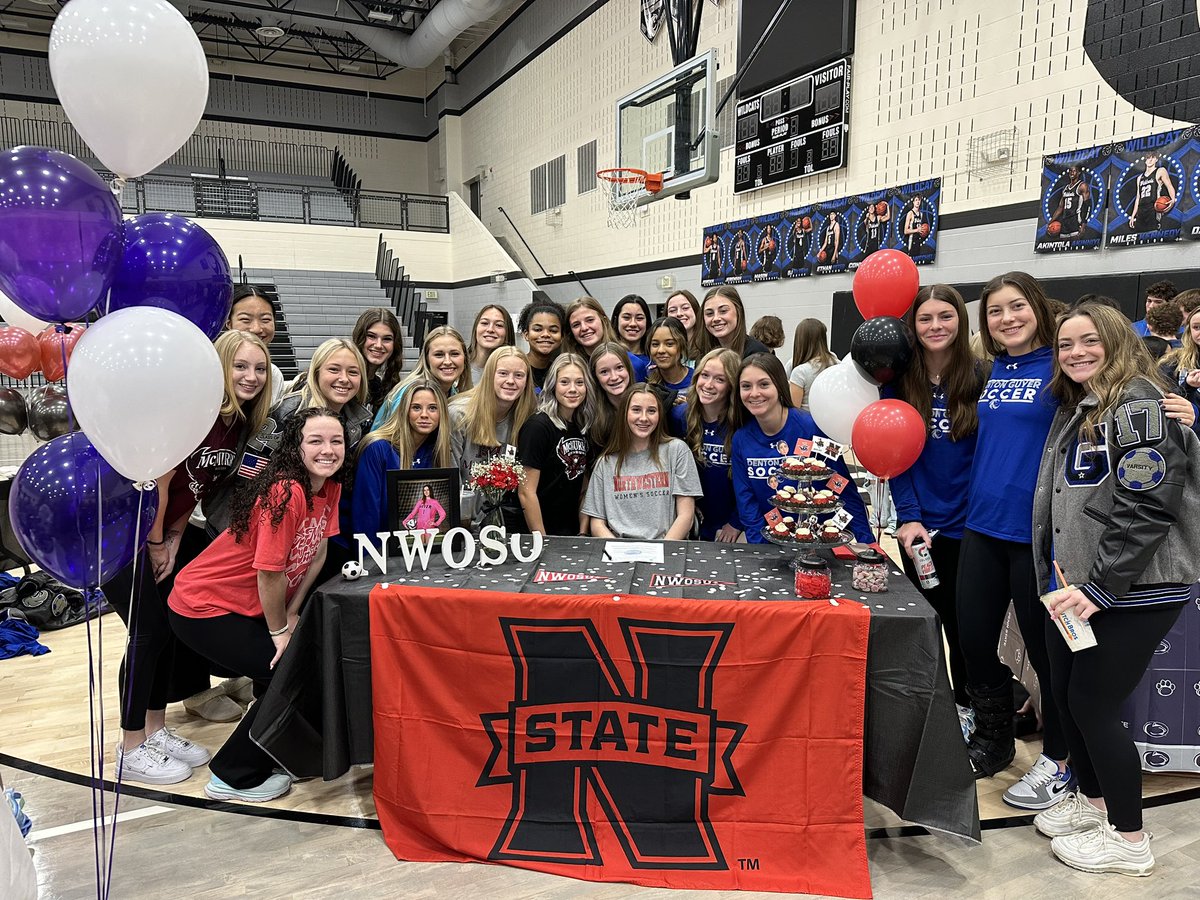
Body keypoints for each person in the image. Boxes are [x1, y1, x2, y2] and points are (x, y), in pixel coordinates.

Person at [958, 272, 1195, 805]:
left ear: (1038, 308)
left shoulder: (1073, 371)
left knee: (1055, 664)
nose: (1006, 318)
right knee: (979, 640)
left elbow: (1144, 443)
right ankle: (998, 742)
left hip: (1048, 540)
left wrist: (1185, 407)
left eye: (1017, 306)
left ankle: (1059, 763)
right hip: (991, 525)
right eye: (994, 311)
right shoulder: (997, 369)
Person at [1030, 302, 1200, 876]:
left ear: (1116, 340)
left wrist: (1100, 586)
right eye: (1064, 345)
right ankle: (1094, 803)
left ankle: (1129, 840)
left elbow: (1146, 506)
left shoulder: (1138, 405)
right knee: (1068, 691)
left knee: (1093, 703)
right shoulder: (1087, 404)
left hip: (1133, 586)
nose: (1075, 352)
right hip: (1083, 584)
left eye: (1088, 341)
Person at [106, 331, 274, 784]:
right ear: (219, 366)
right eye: (240, 366)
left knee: (162, 634)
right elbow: (157, 484)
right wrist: (157, 541)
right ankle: (131, 744)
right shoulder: (189, 411)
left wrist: (175, 534)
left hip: (161, 532)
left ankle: (155, 731)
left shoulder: (239, 423)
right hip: (121, 534)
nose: (251, 376)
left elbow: (193, 489)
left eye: (259, 368)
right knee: (148, 630)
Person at [169, 408, 346, 803]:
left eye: (336, 441)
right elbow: (269, 572)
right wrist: (279, 630)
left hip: (244, 606)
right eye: (315, 441)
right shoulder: (287, 491)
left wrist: (293, 612)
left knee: (285, 671)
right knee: (292, 672)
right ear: (296, 448)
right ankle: (232, 775)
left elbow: (317, 553)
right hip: (202, 606)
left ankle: (275, 751)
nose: (328, 449)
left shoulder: (328, 488)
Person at [888, 285, 985, 733]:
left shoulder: (983, 377)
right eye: (925, 319)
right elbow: (894, 459)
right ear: (913, 327)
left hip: (975, 527)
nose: (936, 327)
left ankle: (971, 709)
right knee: (931, 624)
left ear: (960, 322)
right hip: (921, 530)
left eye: (945, 317)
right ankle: (938, 707)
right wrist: (908, 517)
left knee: (969, 631)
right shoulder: (898, 383)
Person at [731, 353, 873, 544]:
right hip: (772, 539)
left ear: (779, 386)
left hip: (820, 541)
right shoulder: (741, 439)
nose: (754, 393)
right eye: (746, 386)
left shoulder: (813, 428)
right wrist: (762, 549)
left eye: (764, 384)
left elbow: (842, 486)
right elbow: (746, 502)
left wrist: (868, 543)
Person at [238, 339, 372, 482]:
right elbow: (248, 477)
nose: (344, 379)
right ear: (316, 373)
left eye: (353, 372)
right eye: (334, 369)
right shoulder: (285, 413)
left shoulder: (358, 422)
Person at [582, 384, 702, 540]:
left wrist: (661, 553)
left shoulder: (677, 451)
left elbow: (686, 516)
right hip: (618, 551)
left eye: (651, 411)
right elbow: (597, 524)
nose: (644, 418)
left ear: (659, 415)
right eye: (636, 410)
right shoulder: (605, 463)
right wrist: (620, 553)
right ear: (624, 414)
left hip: (666, 548)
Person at [449, 346, 537, 531]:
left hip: (497, 520)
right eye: (503, 373)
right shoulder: (458, 415)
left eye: (519, 375)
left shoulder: (526, 419)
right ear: (489, 375)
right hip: (460, 523)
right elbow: (450, 479)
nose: (511, 381)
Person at [352, 379, 452, 539]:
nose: (424, 415)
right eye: (416, 408)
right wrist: (371, 562)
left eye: (433, 408)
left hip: (418, 550)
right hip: (380, 549)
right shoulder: (377, 448)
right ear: (405, 410)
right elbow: (366, 516)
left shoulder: (436, 450)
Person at [671, 348, 744, 542]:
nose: (708, 385)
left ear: (732, 386)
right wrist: (685, 506)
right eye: (705, 375)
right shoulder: (679, 417)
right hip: (691, 521)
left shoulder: (742, 425)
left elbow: (751, 483)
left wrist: (736, 523)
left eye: (720, 379)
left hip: (731, 526)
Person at [516, 353, 593, 536]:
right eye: (565, 382)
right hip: (541, 533)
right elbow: (526, 493)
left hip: (571, 533)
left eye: (579, 383)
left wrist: (582, 533)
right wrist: (542, 539)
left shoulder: (583, 426)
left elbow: (583, 488)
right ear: (553, 385)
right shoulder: (538, 427)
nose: (573, 389)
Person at [372, 325, 471, 430]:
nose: (447, 361)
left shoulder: (455, 393)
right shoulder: (410, 393)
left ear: (464, 358)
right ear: (427, 360)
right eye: (439, 355)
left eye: (454, 354)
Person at [226, 285, 285, 403]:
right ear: (228, 324)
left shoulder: (274, 375)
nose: (256, 329)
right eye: (245, 319)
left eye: (265, 320)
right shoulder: (211, 369)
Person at [351, 308, 403, 413]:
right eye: (371, 336)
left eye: (387, 339)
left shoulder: (379, 387)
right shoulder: (345, 381)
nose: (378, 345)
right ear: (359, 337)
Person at [697, 286, 771, 359]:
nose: (716, 318)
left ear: (738, 312)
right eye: (709, 313)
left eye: (723, 311)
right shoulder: (703, 352)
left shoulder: (756, 353)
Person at [587, 342, 635, 451]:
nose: (614, 377)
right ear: (595, 378)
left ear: (628, 368)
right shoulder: (591, 419)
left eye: (619, 367)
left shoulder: (649, 403)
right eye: (604, 372)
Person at [1160, 305, 1200, 424]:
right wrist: (1188, 387)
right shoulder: (1173, 361)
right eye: (1196, 327)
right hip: (1184, 432)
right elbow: (1162, 398)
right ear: (1189, 331)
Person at [787, 318, 838, 410]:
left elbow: (794, 411)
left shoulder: (800, 372)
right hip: (833, 420)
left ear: (799, 340)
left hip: (806, 422)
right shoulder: (836, 362)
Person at [517, 300, 563, 389]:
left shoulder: (561, 371)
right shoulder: (516, 367)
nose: (546, 334)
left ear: (562, 337)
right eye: (538, 329)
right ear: (526, 335)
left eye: (553, 330)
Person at [467, 304, 516, 385]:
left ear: (508, 332)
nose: (490, 329)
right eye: (484, 323)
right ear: (476, 328)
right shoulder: (459, 366)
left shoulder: (514, 372)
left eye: (499, 325)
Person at [1129, 151, 1176, 232]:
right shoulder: (1139, 178)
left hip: (1153, 207)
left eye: (1152, 158)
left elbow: (1169, 186)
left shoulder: (1160, 171)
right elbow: (1138, 197)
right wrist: (1133, 216)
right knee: (1140, 236)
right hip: (1141, 210)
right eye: (1148, 158)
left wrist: (1172, 199)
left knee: (1153, 232)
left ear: (1156, 159)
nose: (1150, 160)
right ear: (1145, 160)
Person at [646, 316, 693, 394]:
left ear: (682, 346)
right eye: (655, 344)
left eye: (669, 344)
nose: (661, 350)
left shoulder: (697, 380)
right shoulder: (645, 378)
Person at [563, 297, 618, 361]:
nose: (584, 328)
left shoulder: (626, 359)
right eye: (576, 325)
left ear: (604, 321)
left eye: (590, 320)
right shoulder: (569, 367)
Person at [611, 294, 652, 381]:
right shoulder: (607, 355)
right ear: (616, 319)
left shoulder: (655, 359)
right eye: (626, 317)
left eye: (639, 318)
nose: (633, 324)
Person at [1051, 165, 1092, 238]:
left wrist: (1083, 225)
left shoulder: (1082, 186)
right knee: (1064, 247)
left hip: (1075, 221)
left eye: (1074, 171)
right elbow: (1060, 207)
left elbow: (1087, 206)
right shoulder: (1065, 188)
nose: (1072, 173)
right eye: (1070, 171)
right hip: (1065, 222)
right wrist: (1051, 222)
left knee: (1075, 243)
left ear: (1078, 172)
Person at [665, 289, 702, 364]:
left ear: (696, 311)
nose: (679, 313)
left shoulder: (710, 346)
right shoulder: (662, 350)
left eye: (685, 308)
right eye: (672, 310)